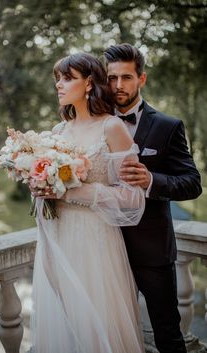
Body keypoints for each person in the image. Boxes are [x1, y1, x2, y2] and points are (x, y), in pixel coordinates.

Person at [30, 52, 146, 353]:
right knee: (64, 321)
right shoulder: (58, 132)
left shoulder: (111, 127)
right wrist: (39, 186)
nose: (59, 84)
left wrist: (71, 194)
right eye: (58, 78)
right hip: (58, 236)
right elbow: (49, 186)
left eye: (67, 78)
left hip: (95, 240)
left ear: (90, 83)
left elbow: (132, 196)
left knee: (96, 323)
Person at [103, 43, 202, 353]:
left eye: (127, 77)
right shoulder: (92, 125)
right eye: (112, 78)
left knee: (168, 334)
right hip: (104, 247)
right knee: (113, 333)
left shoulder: (168, 126)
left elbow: (192, 183)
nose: (118, 86)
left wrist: (152, 181)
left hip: (153, 252)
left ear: (141, 79)